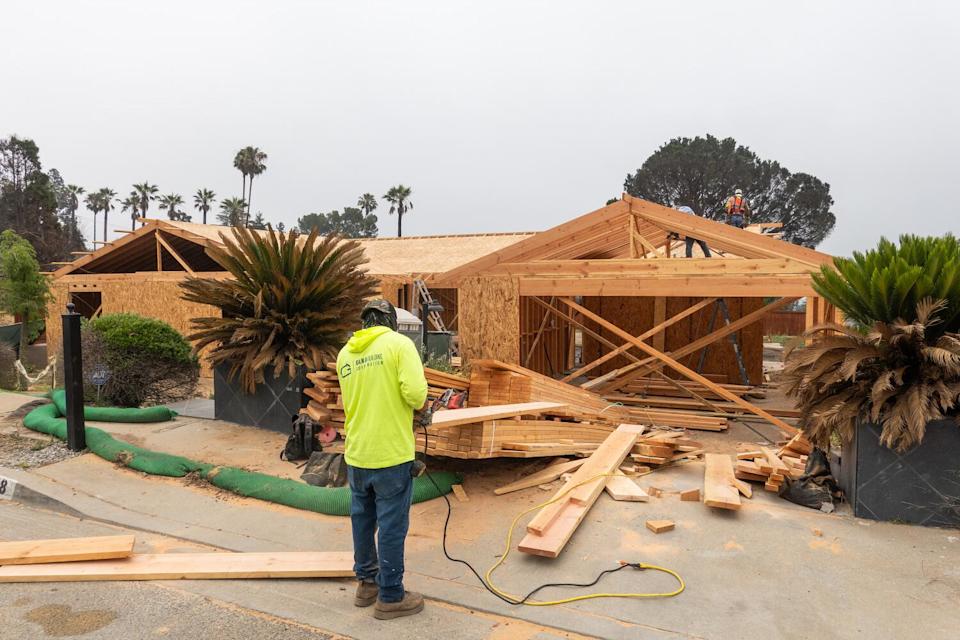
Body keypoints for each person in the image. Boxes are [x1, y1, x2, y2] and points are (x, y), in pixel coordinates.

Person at [337, 299, 428, 620]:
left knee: (362, 520)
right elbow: (416, 394)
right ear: (390, 321)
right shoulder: (399, 345)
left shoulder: (345, 353)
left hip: (358, 453)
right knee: (391, 526)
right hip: (391, 455)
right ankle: (390, 596)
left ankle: (366, 584)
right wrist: (420, 409)